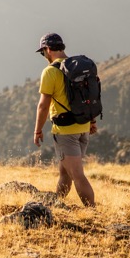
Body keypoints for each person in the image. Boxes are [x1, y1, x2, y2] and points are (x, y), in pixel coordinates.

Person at [32, 32, 96, 207]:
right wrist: (92, 121)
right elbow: (89, 96)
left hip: (65, 131)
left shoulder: (51, 71)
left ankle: (93, 210)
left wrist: (37, 130)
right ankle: (58, 204)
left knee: (77, 175)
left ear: (48, 49)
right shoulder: (79, 67)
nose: (43, 56)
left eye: (42, 52)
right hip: (83, 126)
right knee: (65, 172)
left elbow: (43, 105)